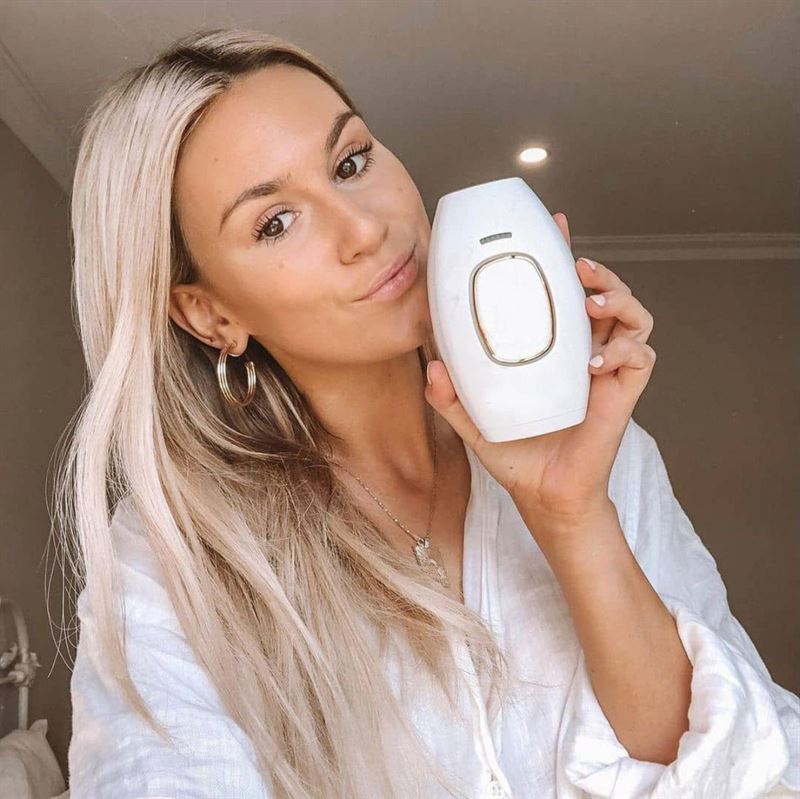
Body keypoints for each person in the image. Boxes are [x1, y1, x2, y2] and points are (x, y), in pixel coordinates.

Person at [57, 26, 799, 799]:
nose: (366, 229)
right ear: (210, 314)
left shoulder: (595, 445)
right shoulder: (175, 556)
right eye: (276, 221)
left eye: (351, 162)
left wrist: (574, 516)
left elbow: (741, 771)